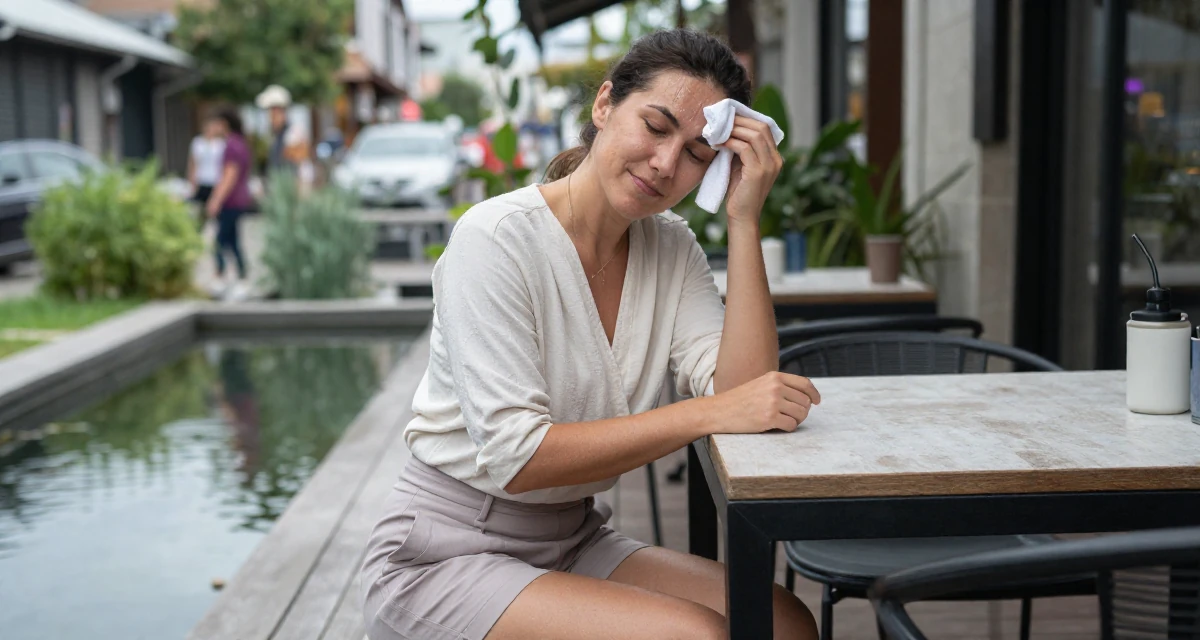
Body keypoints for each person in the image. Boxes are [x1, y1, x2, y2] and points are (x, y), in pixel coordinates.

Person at [359, 29, 821, 640]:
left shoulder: (672, 246)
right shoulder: (495, 239)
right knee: (698, 636)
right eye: (655, 127)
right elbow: (518, 457)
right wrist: (707, 413)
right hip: (444, 551)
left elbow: (749, 394)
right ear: (605, 105)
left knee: (782, 623)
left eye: (696, 156)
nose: (665, 163)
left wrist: (743, 219)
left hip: (572, 538)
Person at [206, 108, 253, 298]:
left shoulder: (232, 145)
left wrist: (215, 200)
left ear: (223, 124)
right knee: (232, 240)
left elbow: (229, 176)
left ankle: (221, 276)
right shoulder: (240, 143)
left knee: (220, 241)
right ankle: (241, 276)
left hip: (231, 200)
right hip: (239, 199)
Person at [188, 115, 226, 224]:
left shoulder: (220, 144)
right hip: (201, 180)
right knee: (200, 212)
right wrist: (192, 181)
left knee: (215, 212)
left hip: (215, 181)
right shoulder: (198, 142)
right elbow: (193, 163)